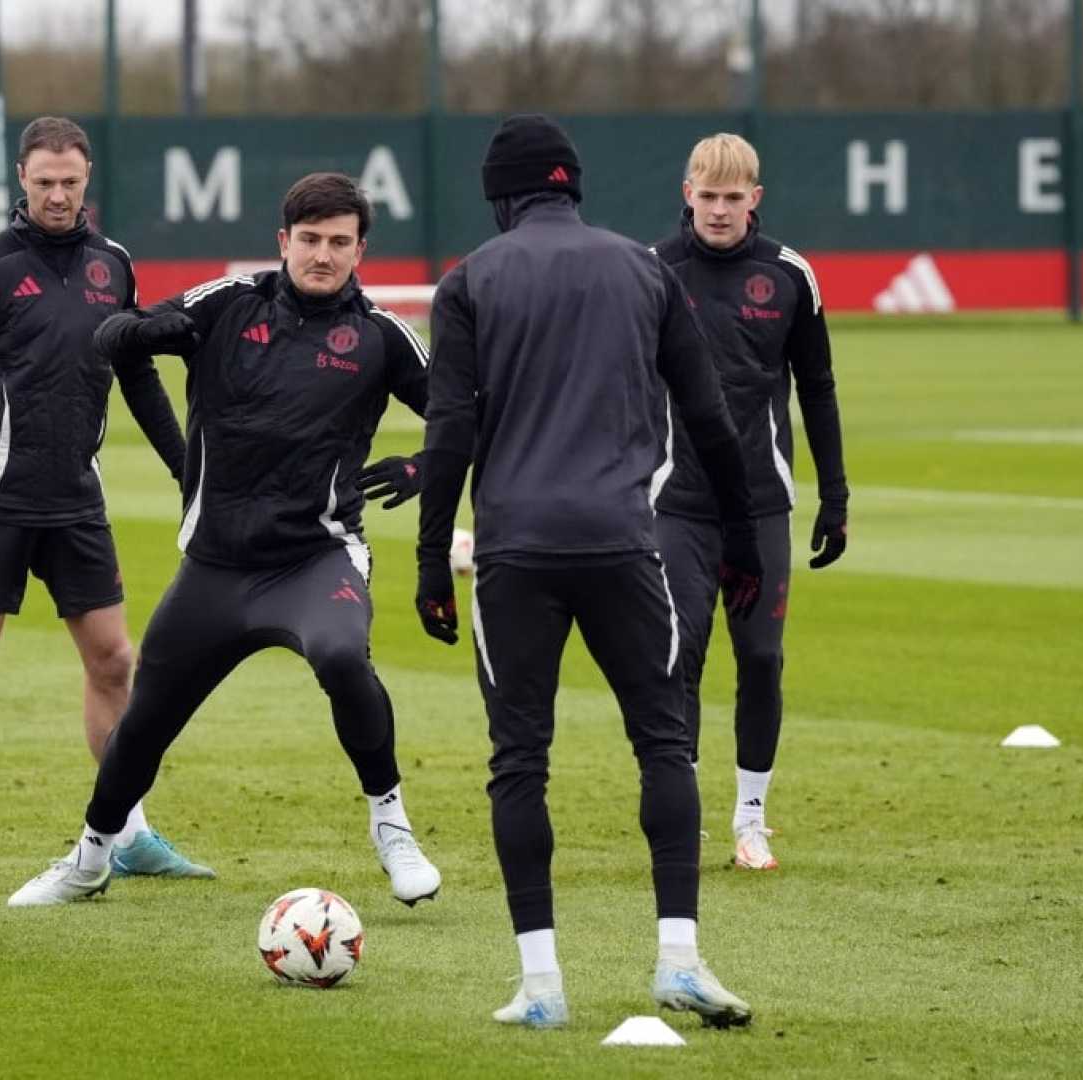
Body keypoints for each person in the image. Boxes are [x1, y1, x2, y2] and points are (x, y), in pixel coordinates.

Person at [4, 171, 442, 909]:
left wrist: (425, 465)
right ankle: (90, 857)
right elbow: (114, 336)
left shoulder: (382, 336)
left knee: (341, 656)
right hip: (214, 567)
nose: (323, 255)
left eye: (339, 242)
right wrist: (140, 332)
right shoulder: (228, 301)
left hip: (316, 559)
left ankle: (392, 827)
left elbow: (471, 416)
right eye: (310, 240)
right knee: (145, 721)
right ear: (283, 241)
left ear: (361, 249)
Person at [415, 115, 763, 1029]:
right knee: (664, 744)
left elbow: (448, 433)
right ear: (573, 186)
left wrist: (429, 560)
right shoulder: (645, 269)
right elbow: (710, 418)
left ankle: (542, 987)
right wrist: (741, 539)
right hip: (624, 543)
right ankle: (679, 960)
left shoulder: (469, 280)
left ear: (502, 196)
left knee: (520, 761)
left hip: (515, 551)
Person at [0, 116, 209, 890]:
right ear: (22, 180)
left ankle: (129, 833)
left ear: (87, 179)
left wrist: (189, 472)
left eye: (70, 182)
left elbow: (139, 376)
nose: (58, 195)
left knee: (114, 661)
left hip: (77, 501)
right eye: (44, 182)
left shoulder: (114, 265)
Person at [652, 133, 849, 872]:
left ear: (755, 199)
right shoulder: (653, 271)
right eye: (708, 196)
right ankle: (682, 816)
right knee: (680, 656)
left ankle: (752, 819)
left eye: (733, 198)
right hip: (676, 502)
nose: (719, 210)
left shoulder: (789, 274)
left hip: (763, 503)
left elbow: (818, 388)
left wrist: (835, 495)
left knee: (761, 657)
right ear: (688, 193)